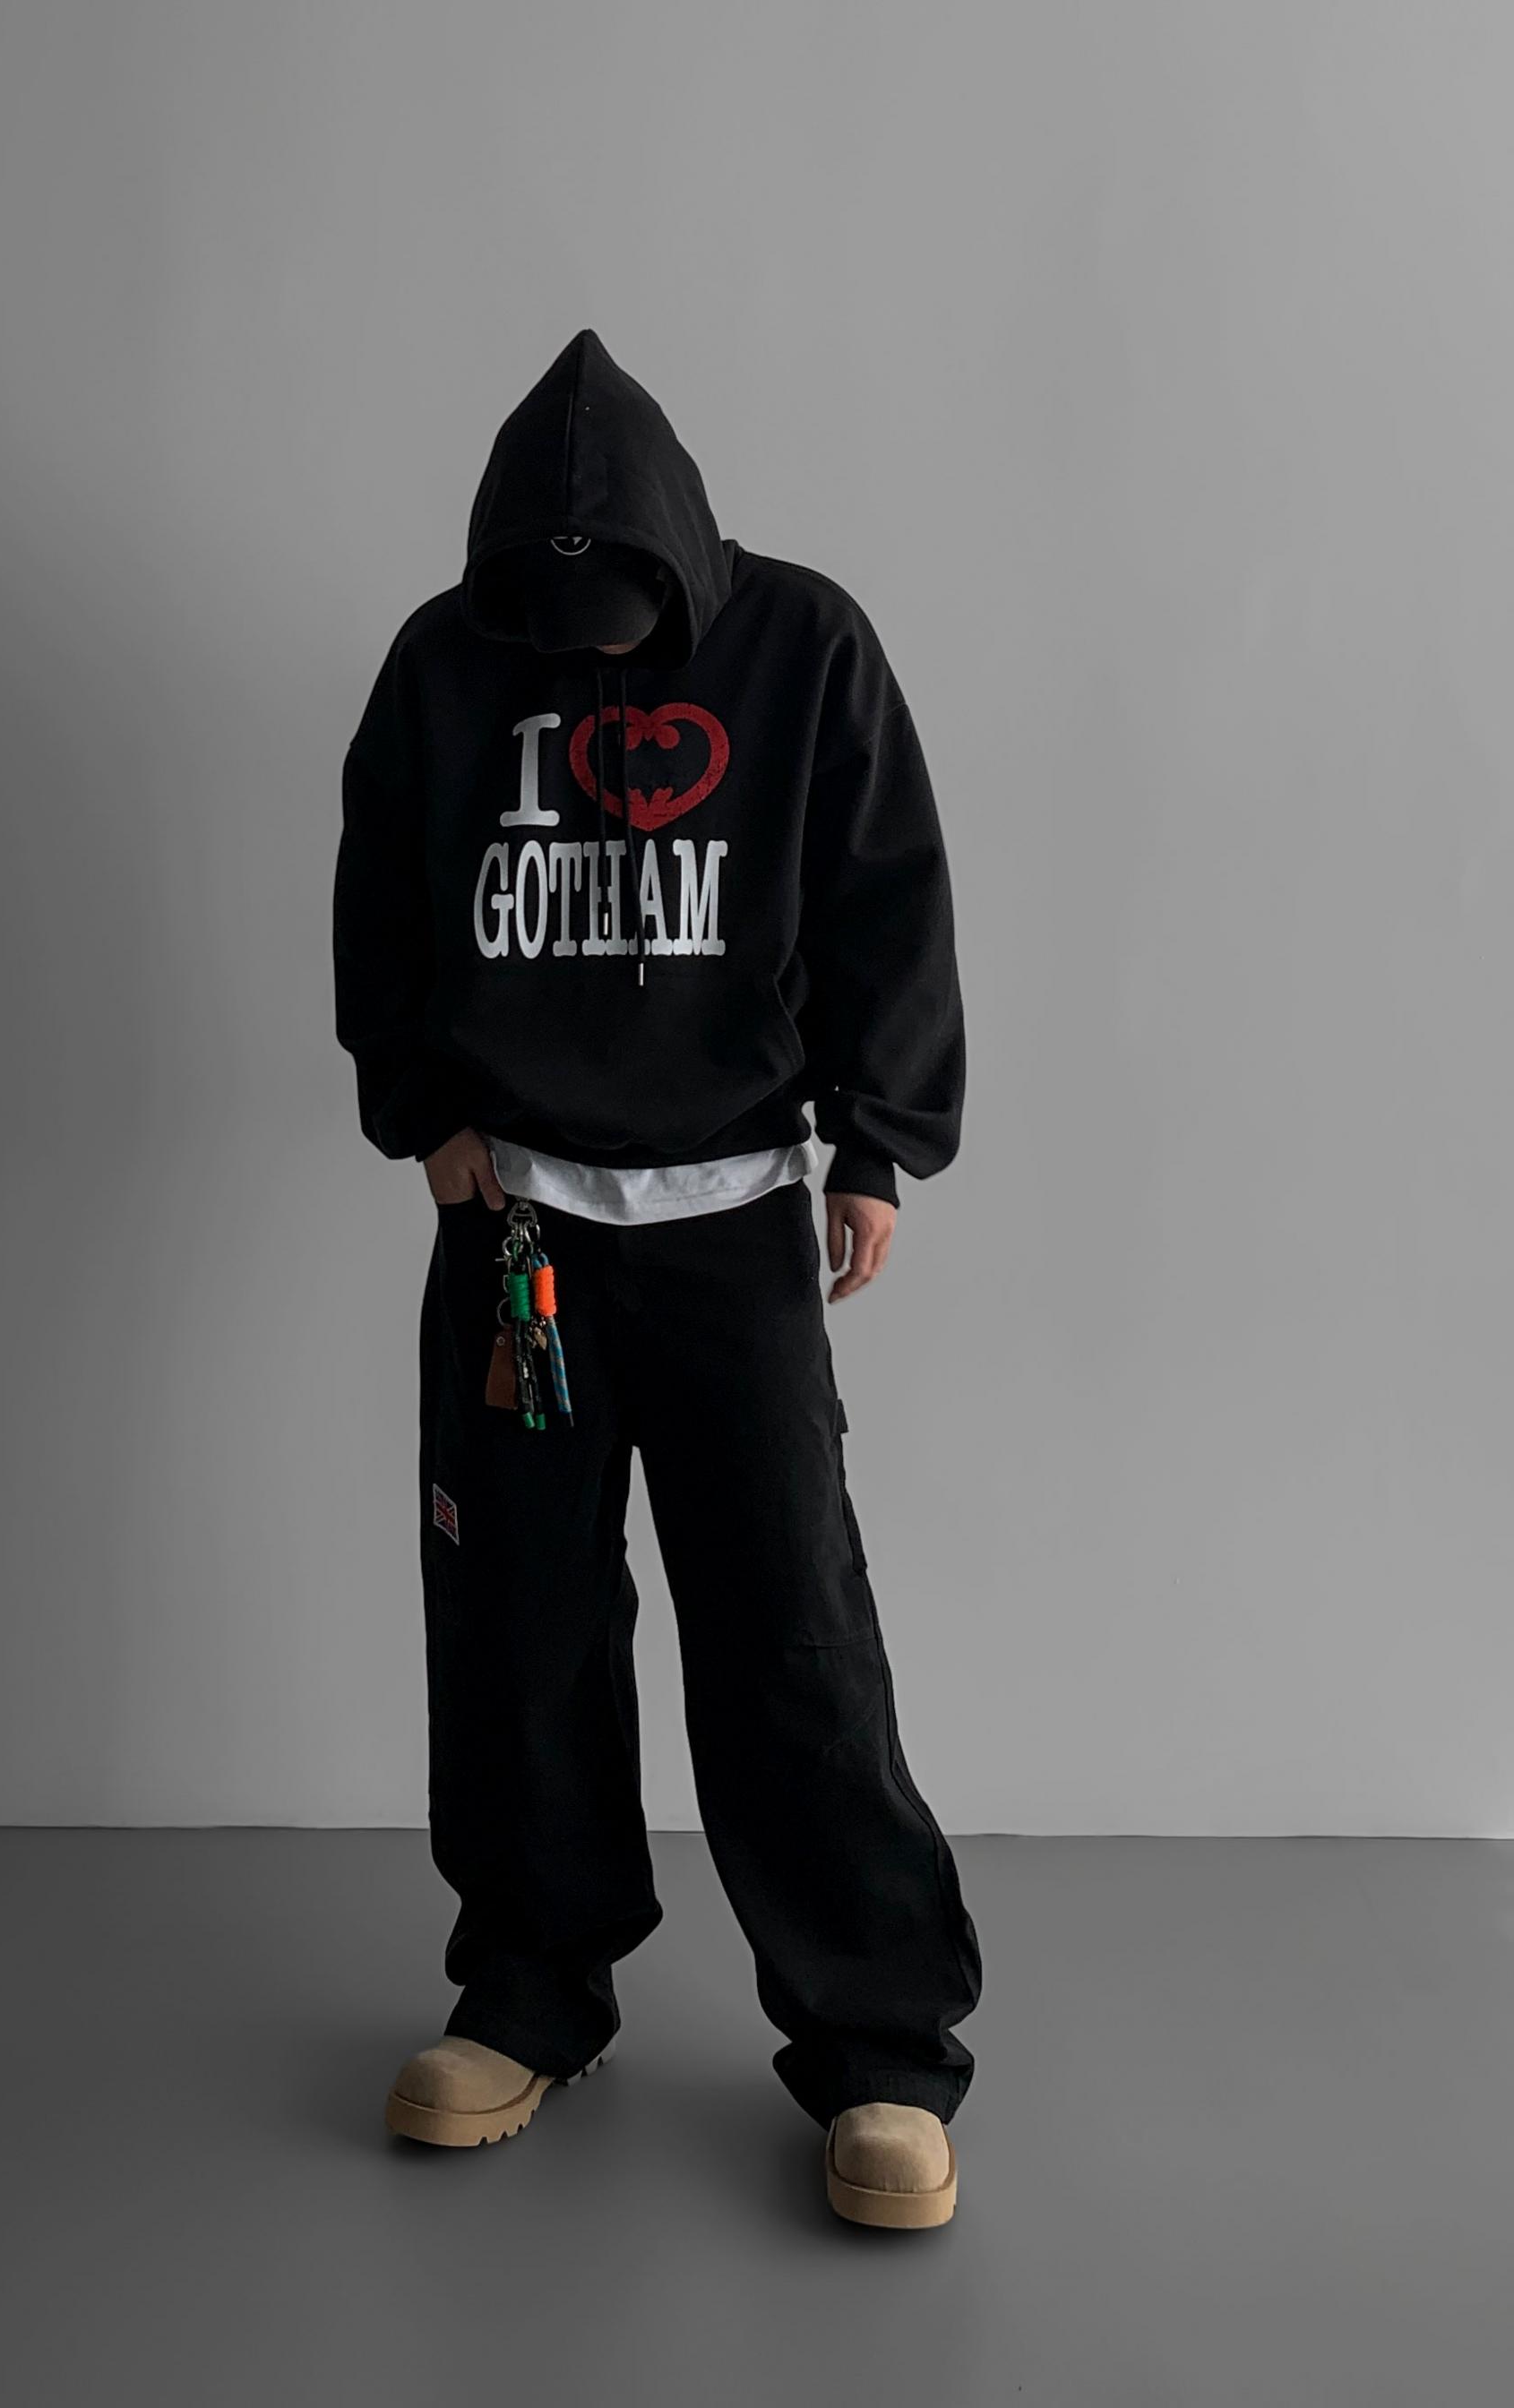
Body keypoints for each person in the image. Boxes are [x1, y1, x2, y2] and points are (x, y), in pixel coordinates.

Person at [333, 328, 981, 2230]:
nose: (584, 641)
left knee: (792, 1631)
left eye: (615, 608)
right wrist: (425, 1117)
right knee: (518, 1628)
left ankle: (877, 2047)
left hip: (731, 1226)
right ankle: (528, 1998)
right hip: (516, 1235)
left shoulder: (804, 646)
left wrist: (877, 1141)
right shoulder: (444, 664)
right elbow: (380, 897)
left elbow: (886, 890)